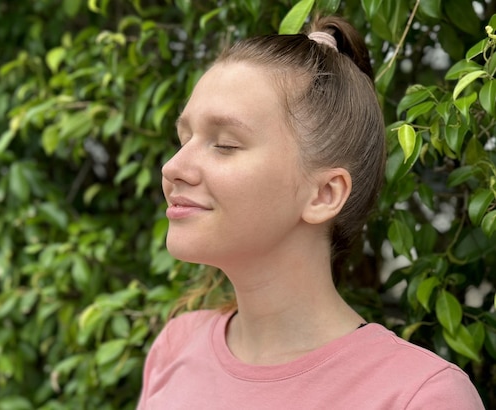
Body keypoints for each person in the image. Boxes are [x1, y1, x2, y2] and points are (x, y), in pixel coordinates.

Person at [137, 15, 484, 410]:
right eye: (184, 139)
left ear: (323, 193)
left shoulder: (420, 397)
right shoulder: (176, 347)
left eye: (226, 144)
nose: (172, 167)